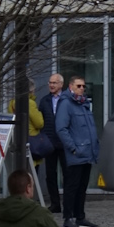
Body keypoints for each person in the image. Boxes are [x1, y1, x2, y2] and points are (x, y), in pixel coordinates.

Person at [54, 75, 100, 227]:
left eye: (83, 86)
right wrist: (72, 147)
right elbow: (61, 128)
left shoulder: (83, 103)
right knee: (72, 186)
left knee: (82, 186)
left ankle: (80, 217)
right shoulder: (66, 103)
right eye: (79, 86)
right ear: (71, 86)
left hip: (87, 152)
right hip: (76, 152)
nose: (82, 89)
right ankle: (68, 218)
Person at [37, 74, 67, 213]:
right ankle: (55, 204)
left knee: (68, 174)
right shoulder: (44, 101)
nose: (51, 85)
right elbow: (41, 121)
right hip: (49, 143)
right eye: (50, 82)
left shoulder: (67, 99)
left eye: (54, 83)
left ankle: (68, 203)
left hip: (65, 142)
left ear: (61, 84)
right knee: (50, 174)